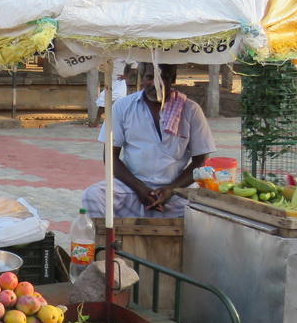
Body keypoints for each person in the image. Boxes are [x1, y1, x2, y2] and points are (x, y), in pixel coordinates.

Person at [80, 63, 215, 219]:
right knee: (93, 196)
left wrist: (172, 189)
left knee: (207, 207)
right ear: (142, 79)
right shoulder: (122, 107)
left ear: (173, 79)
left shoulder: (191, 110)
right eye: (150, 77)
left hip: (177, 190)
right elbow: (110, 157)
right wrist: (139, 189)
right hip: (131, 189)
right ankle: (107, 243)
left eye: (163, 77)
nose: (155, 84)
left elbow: (202, 161)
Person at [92, 58, 134, 127]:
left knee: (121, 101)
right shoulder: (107, 56)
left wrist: (127, 76)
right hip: (109, 81)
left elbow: (134, 64)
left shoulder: (122, 55)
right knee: (103, 100)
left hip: (119, 82)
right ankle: (97, 121)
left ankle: (124, 122)